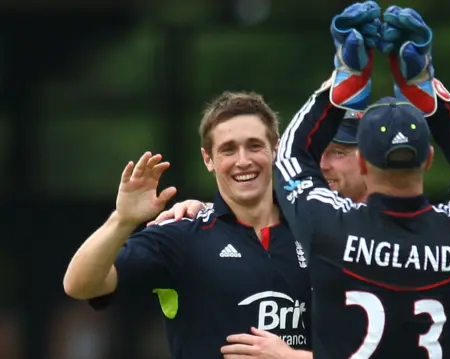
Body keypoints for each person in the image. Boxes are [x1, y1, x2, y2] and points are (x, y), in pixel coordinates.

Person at [269, 2, 450, 359]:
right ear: (428, 160)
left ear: (361, 162)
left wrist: (343, 84)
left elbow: (289, 157)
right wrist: (429, 95)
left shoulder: (330, 227)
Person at [63, 91, 312, 359]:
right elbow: (80, 285)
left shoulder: (317, 228)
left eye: (254, 145)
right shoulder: (180, 235)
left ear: (275, 148)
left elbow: (359, 344)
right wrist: (122, 220)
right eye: (228, 149)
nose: (243, 161)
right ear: (208, 159)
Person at [149, 112, 367, 225]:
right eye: (316, 151)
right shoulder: (298, 216)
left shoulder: (395, 223)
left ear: (369, 159)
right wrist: (207, 212)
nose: (321, 165)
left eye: (338, 152)